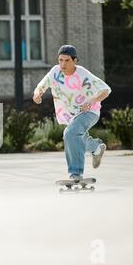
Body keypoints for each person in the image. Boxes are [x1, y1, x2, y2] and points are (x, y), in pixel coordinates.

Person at [33, 45, 112, 181]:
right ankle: (97, 148)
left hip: (89, 112)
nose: (63, 64)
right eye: (60, 60)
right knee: (74, 137)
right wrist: (37, 94)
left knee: (70, 134)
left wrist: (91, 101)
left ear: (75, 61)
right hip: (71, 115)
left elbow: (106, 90)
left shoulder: (82, 74)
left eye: (67, 60)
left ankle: (76, 173)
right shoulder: (55, 72)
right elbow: (41, 86)